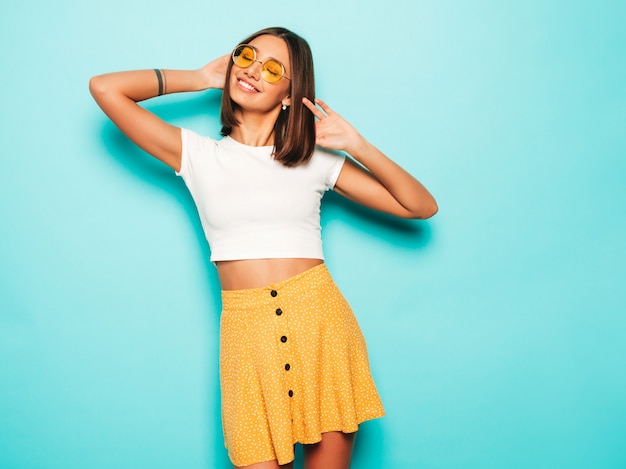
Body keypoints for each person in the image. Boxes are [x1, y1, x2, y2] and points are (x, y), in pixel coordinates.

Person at [89, 26, 437, 469]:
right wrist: (198, 77)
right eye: (247, 55)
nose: (253, 70)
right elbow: (105, 88)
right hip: (245, 332)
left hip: (320, 322)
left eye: (273, 69)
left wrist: (357, 145)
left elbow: (420, 206)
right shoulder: (196, 155)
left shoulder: (316, 158)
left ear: (291, 94)